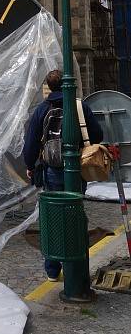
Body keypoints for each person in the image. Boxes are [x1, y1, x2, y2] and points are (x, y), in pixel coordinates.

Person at [23, 69, 103, 281]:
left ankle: (52, 270)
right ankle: (74, 269)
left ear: (49, 87)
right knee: (75, 216)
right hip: (77, 171)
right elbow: (97, 135)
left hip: (52, 171)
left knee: (53, 219)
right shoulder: (80, 107)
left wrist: (30, 165)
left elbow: (31, 143)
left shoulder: (42, 109)